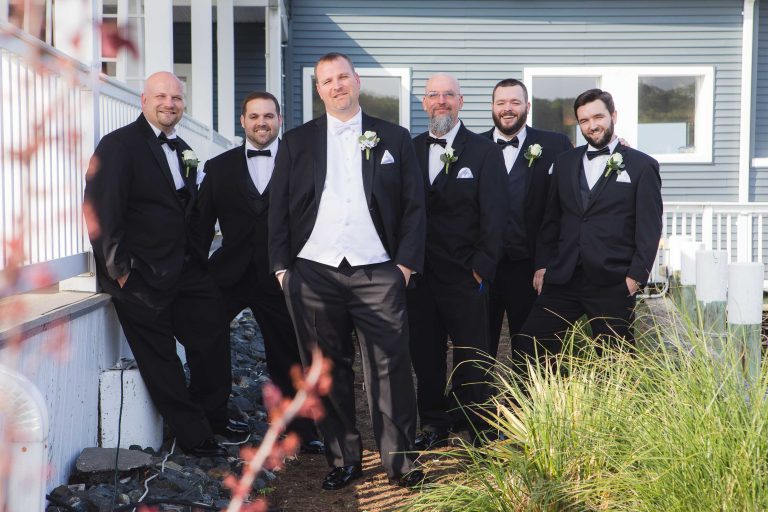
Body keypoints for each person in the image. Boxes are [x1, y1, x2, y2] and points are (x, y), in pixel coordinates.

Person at [268, 53, 426, 490]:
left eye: (343, 77)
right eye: (327, 81)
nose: (336, 86)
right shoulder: (296, 142)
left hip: (379, 271)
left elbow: (415, 207)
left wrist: (405, 266)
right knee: (325, 369)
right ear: (318, 90)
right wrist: (283, 269)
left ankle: (401, 461)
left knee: (390, 367)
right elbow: (277, 209)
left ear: (357, 81)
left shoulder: (393, 137)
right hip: (314, 271)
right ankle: (343, 458)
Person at [84, 71, 243, 458]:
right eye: (161, 96)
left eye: (176, 97)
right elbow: (100, 210)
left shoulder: (185, 148)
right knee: (161, 360)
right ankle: (195, 437)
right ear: (143, 100)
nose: (169, 103)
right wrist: (119, 270)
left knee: (212, 334)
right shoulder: (118, 145)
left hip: (185, 269)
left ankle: (212, 415)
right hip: (138, 275)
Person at [197, 91, 323, 454]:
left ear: (280, 120)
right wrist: (196, 272)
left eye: (268, 116)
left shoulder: (302, 163)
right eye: (254, 116)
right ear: (242, 121)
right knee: (208, 339)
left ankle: (300, 426)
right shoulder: (219, 167)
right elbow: (201, 227)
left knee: (288, 351)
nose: (261, 123)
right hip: (228, 274)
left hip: (281, 273)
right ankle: (213, 416)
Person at [516, 88, 663, 360]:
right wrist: (542, 264)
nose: (592, 125)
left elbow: (650, 227)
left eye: (598, 117)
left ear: (613, 116)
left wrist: (635, 277)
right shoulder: (564, 162)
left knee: (615, 360)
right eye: (584, 120)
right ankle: (544, 402)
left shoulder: (642, 166)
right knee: (529, 345)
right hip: (564, 276)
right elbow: (552, 219)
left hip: (613, 280)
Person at [409, 73, 507, 449]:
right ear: (424, 103)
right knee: (426, 355)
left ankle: (479, 423)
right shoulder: (411, 149)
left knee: (474, 353)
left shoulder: (484, 152)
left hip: (466, 274)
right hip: (420, 277)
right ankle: (434, 423)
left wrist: (481, 267)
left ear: (461, 102)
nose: (441, 101)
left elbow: (496, 216)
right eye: (433, 95)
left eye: (448, 95)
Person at [479, 79, 572, 359]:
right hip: (484, 270)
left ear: (527, 107)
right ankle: (479, 403)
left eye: (515, 102)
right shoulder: (473, 146)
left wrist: (620, 151)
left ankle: (529, 404)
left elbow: (578, 185)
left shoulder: (556, 145)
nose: (508, 109)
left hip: (533, 269)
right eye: (501, 103)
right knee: (478, 350)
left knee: (534, 352)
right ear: (493, 107)